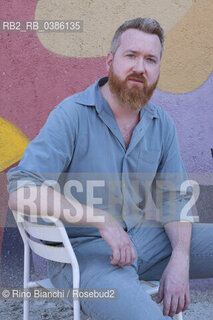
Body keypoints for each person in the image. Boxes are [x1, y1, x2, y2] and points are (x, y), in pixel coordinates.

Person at [7, 17, 213, 320]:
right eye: (131, 56)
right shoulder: (71, 115)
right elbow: (20, 192)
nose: (140, 68)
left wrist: (180, 259)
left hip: (142, 241)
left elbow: (175, 198)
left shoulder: (161, 123)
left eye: (150, 59)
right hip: (83, 256)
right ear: (110, 60)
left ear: (158, 69)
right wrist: (102, 220)